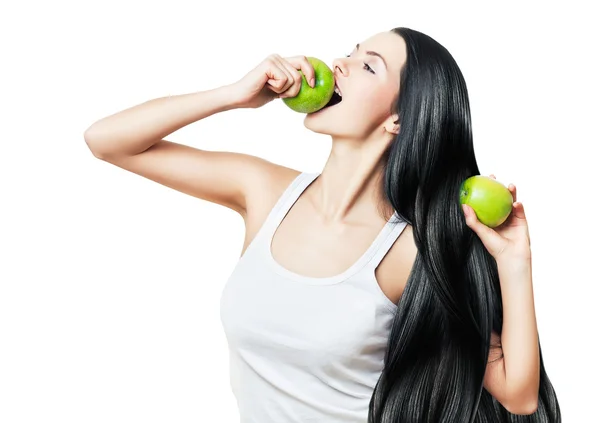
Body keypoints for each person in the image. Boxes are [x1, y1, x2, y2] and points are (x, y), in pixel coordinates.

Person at [84, 27, 561, 423]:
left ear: (398, 118)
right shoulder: (263, 191)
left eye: (368, 65)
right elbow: (107, 141)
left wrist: (515, 262)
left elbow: (516, 395)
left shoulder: (407, 250)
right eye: (351, 52)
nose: (340, 64)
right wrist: (234, 96)